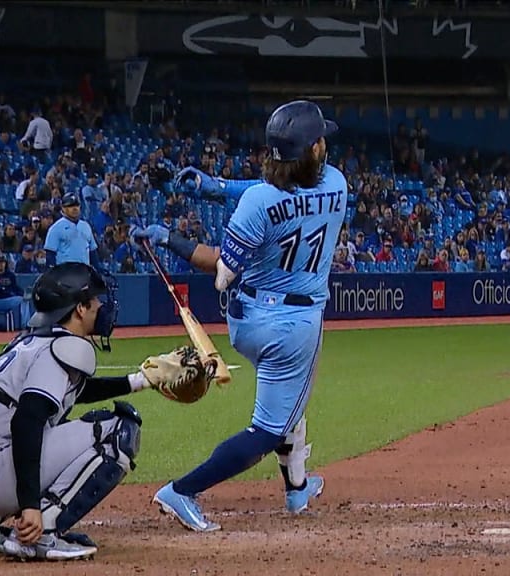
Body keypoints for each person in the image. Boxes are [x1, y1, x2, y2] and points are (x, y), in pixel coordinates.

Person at [133, 99, 346, 531]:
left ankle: (297, 489)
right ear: (313, 150)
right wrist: (217, 187)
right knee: (266, 431)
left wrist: (170, 234)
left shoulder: (256, 202)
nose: (325, 143)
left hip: (247, 320)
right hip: (292, 327)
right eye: (320, 139)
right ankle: (182, 489)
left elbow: (219, 263)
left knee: (288, 405)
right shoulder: (338, 184)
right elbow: (288, 192)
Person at [0, 263, 202, 561]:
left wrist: (142, 380)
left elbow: (73, 392)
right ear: (80, 309)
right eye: (96, 301)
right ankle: (41, 534)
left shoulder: (36, 341)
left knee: (54, 427)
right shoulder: (61, 348)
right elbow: (26, 423)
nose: (102, 307)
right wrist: (30, 505)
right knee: (115, 433)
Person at [43, 193, 99, 269]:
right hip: (64, 274)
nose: (74, 208)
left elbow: (93, 252)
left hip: (84, 273)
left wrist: (98, 269)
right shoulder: (56, 228)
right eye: (70, 206)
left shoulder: (86, 226)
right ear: (63, 208)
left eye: (76, 205)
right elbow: (50, 255)